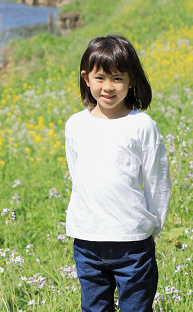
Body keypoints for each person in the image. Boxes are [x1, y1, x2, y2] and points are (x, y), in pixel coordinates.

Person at [64, 35, 171, 312]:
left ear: (131, 80)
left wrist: (150, 226)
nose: (108, 87)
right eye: (100, 78)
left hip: (132, 243)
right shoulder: (75, 124)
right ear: (86, 78)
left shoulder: (142, 125)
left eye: (118, 78)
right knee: (94, 308)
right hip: (87, 241)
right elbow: (76, 175)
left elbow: (157, 183)